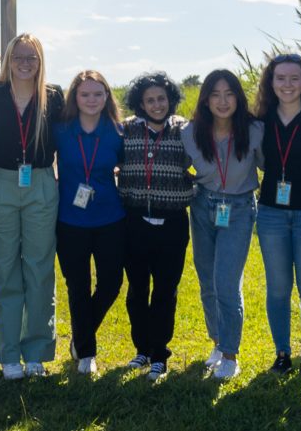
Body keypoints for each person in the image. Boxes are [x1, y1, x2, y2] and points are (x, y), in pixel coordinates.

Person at [0, 33, 64, 379]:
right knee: (4, 268)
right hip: (2, 182)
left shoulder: (53, 96)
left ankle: (37, 351)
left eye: (31, 58)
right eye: (18, 57)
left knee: (39, 268)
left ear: (40, 62)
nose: (25, 64)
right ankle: (8, 351)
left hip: (41, 182)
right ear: (8, 60)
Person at [253, 54, 301, 378]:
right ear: (271, 82)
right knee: (278, 289)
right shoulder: (260, 120)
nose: (287, 84)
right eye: (280, 78)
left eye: (294, 78)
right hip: (271, 214)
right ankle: (282, 354)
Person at [183, 69, 263, 381]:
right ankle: (217, 342)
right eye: (215, 94)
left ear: (238, 98)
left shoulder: (254, 130)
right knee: (207, 281)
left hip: (239, 208)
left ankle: (230, 355)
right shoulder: (190, 132)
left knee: (226, 283)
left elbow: (273, 163)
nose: (223, 101)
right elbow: (177, 165)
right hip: (203, 205)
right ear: (205, 100)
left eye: (229, 94)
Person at [118, 71, 194, 382]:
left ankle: (160, 354)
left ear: (170, 99)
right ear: (140, 103)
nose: (156, 104)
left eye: (161, 98)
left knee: (165, 290)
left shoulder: (184, 130)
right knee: (137, 290)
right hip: (134, 221)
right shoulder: (126, 129)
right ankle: (142, 349)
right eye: (149, 100)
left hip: (172, 222)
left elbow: (205, 159)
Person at [53, 70, 125, 376]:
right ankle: (86, 352)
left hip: (110, 218)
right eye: (85, 94)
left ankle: (81, 333)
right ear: (75, 98)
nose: (92, 100)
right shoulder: (60, 130)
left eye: (98, 94)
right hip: (70, 220)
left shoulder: (118, 132)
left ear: (107, 97)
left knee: (111, 283)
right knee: (78, 286)